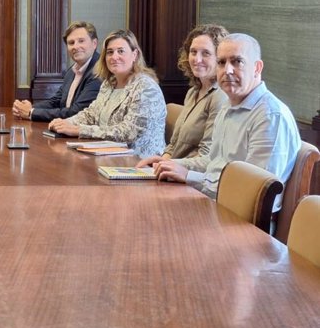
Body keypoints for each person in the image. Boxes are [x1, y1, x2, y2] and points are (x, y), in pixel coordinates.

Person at [154, 33, 301, 211]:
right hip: (212, 203)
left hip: (243, 223)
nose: (227, 70)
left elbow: (254, 189)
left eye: (237, 61)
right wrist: (170, 165)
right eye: (222, 62)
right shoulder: (228, 106)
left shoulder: (270, 116)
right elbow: (213, 161)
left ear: (257, 68)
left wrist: (189, 176)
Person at [48, 29, 166, 157]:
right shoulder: (109, 83)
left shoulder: (146, 87)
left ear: (135, 55)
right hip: (109, 155)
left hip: (139, 163)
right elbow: (91, 114)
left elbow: (128, 132)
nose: (114, 57)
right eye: (110, 52)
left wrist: (80, 130)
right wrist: (66, 123)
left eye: (121, 51)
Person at [137, 24, 229, 168]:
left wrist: (165, 164)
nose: (197, 59)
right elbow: (173, 145)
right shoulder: (193, 92)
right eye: (193, 52)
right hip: (171, 170)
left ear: (220, 58)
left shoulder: (220, 97)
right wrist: (160, 163)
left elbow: (207, 156)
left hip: (192, 180)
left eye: (206, 53)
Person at [12, 21, 102, 122]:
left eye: (81, 41)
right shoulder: (72, 71)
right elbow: (56, 101)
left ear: (94, 43)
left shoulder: (99, 71)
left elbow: (76, 112)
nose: (75, 47)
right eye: (71, 43)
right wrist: (29, 108)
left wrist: (31, 112)